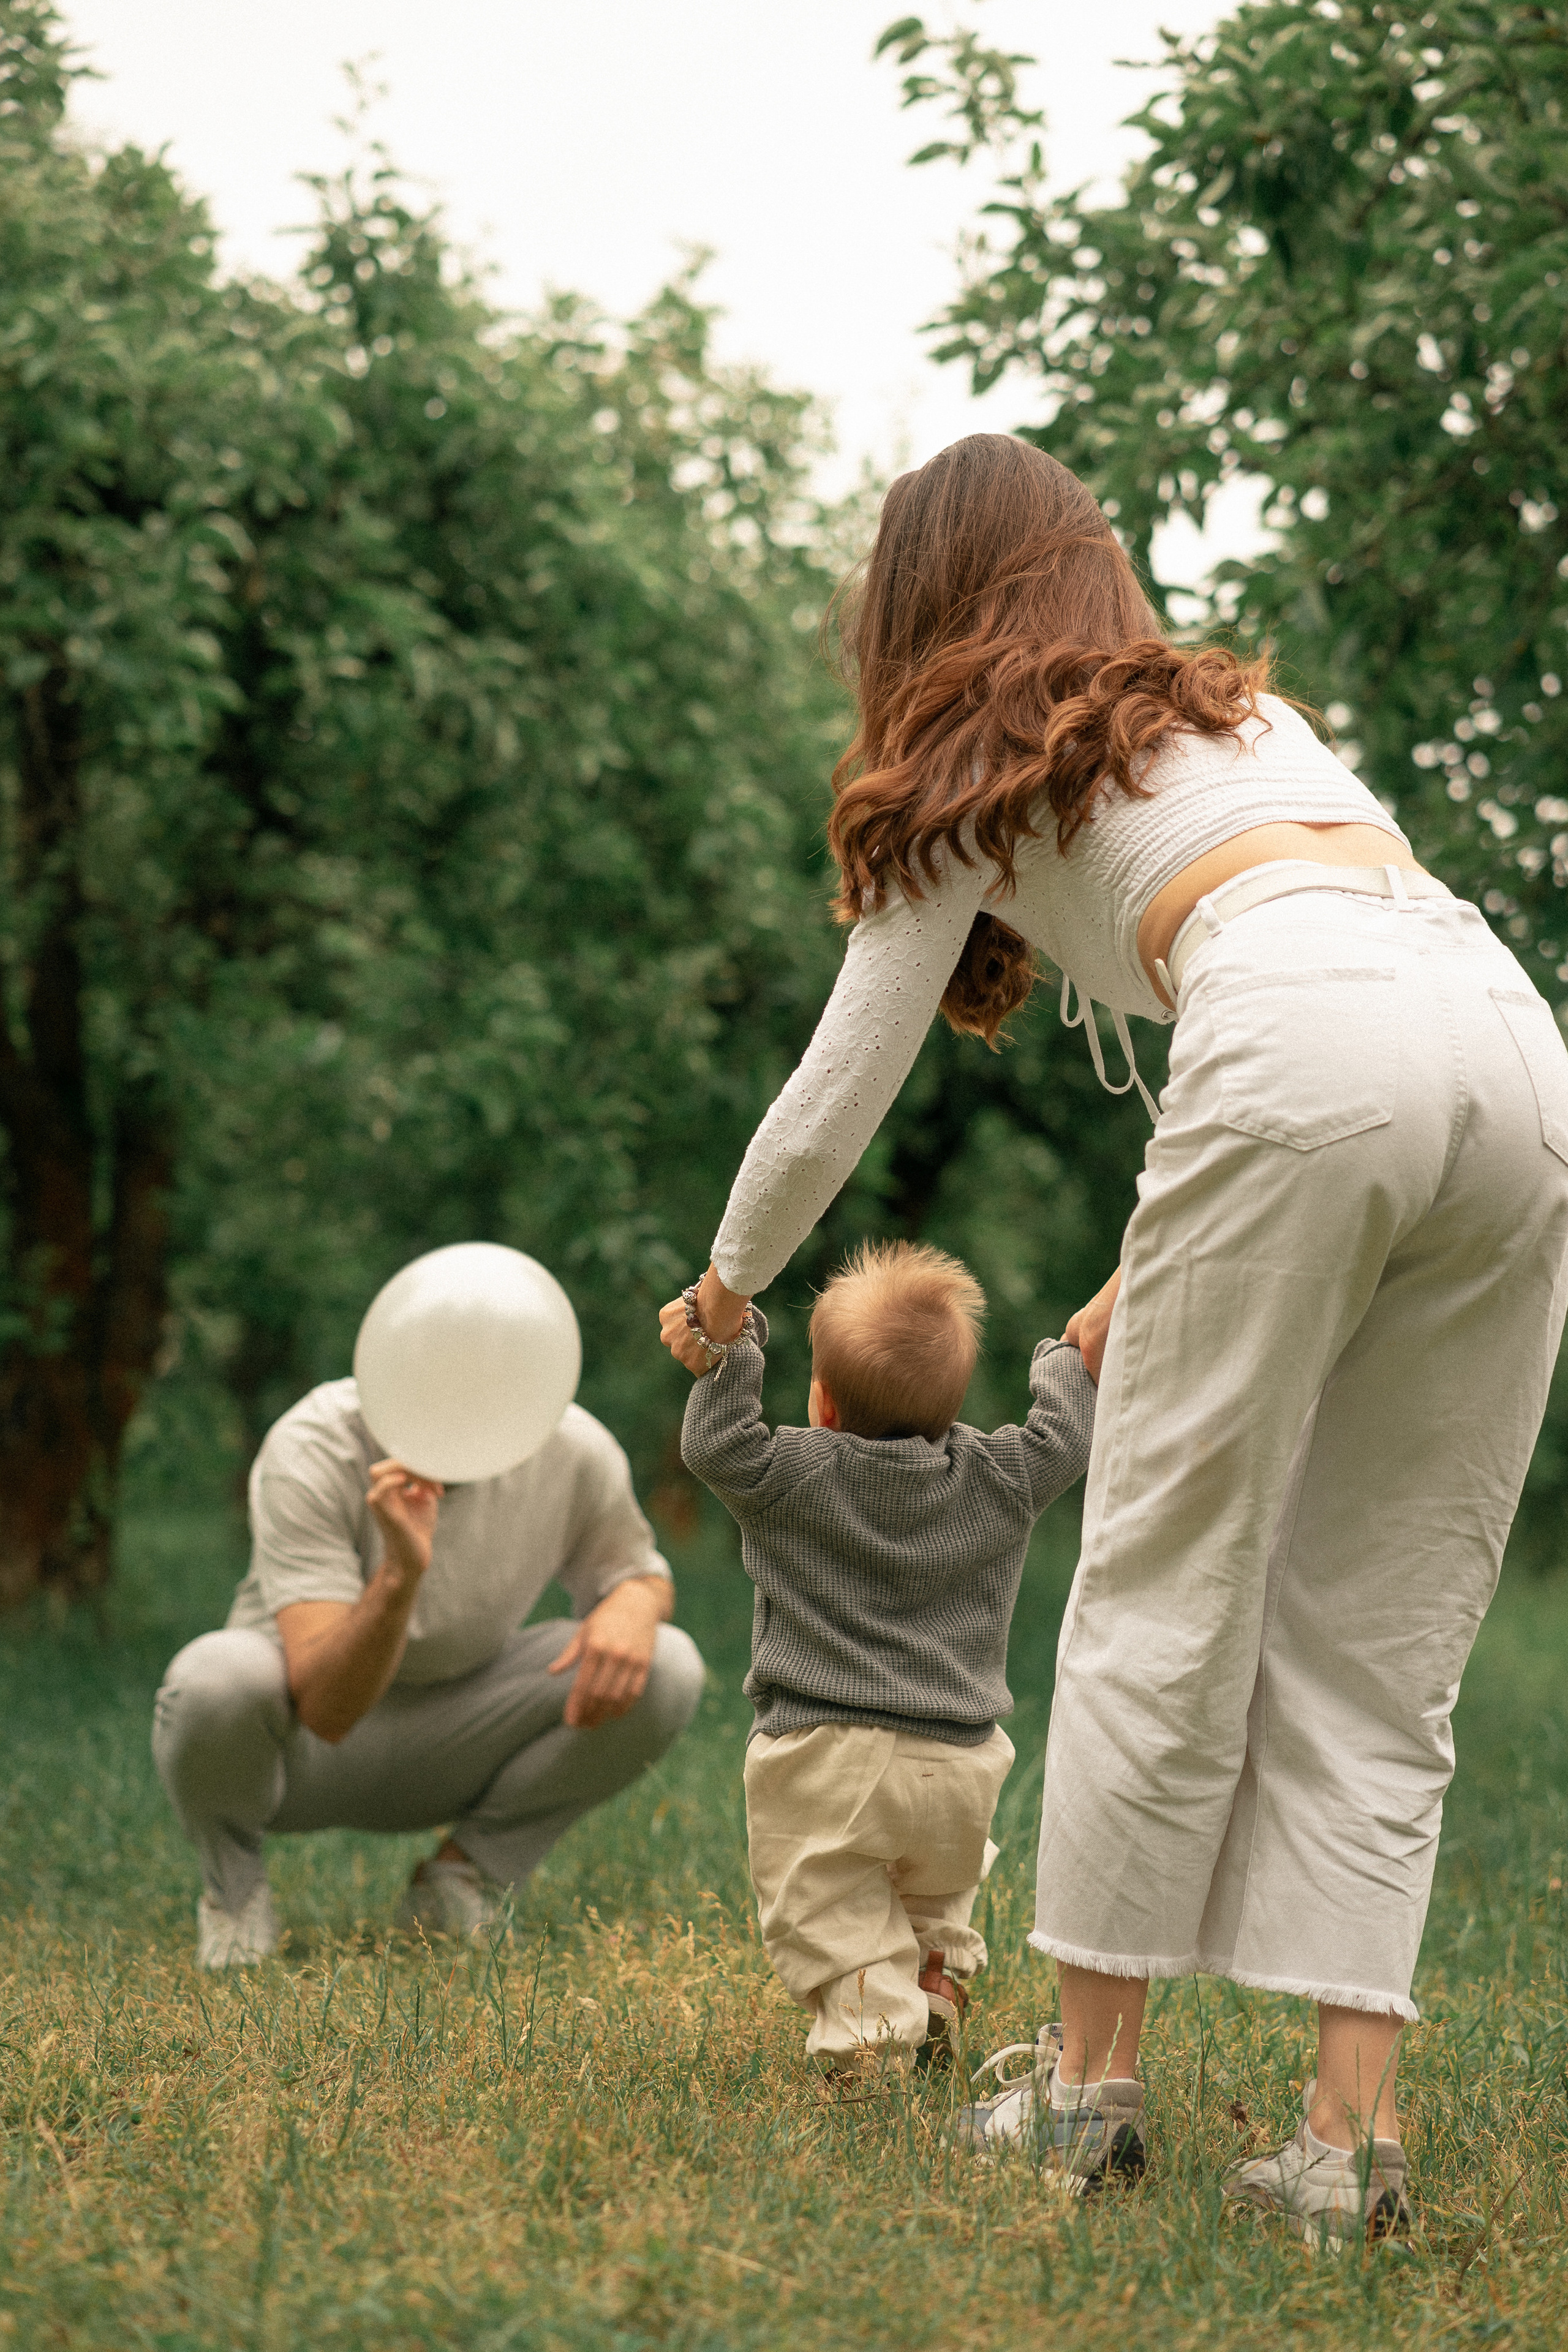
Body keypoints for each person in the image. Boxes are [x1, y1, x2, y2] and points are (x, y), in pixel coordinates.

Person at [658, 434, 1568, 2241]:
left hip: (1306, 1036)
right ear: (1093, 566)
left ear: (918, 596)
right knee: (1390, 1620)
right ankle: (1343, 2139)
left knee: (1159, 1569)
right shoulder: (1246, 722)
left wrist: (728, 1276)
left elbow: (836, 1092)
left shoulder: (977, 771)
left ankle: (1085, 2097)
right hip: (1512, 1049)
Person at [663, 1240, 1095, 2073]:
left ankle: (872, 2031)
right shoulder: (998, 1475)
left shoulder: (788, 1471)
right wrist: (1069, 1355)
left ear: (822, 1402)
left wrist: (737, 1340)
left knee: (829, 1909)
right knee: (931, 1892)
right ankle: (935, 1983)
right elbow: (1062, 1438)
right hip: (961, 1764)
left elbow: (715, 1443)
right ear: (956, 1398)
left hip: (827, 1759)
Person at [154, 1374, 704, 1969]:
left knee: (665, 1664)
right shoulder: (315, 1441)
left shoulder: (571, 1442)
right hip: (297, 1750)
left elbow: (638, 1572)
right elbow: (326, 1709)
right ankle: (234, 1896)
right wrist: (399, 1576)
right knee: (215, 1679)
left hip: (460, 1732)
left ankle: (461, 1878)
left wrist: (633, 1601)